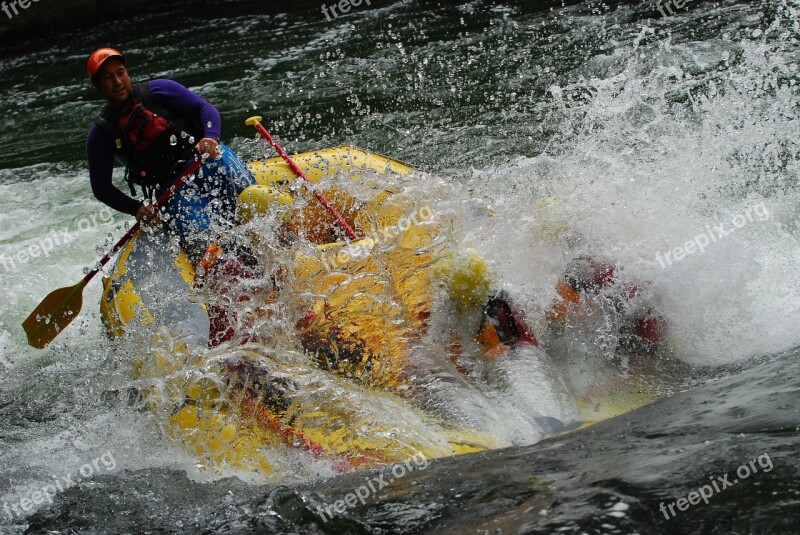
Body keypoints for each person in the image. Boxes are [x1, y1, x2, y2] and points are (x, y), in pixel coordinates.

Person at [85, 47, 255, 265]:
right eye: (108, 78)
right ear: (98, 85)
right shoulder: (101, 133)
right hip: (172, 190)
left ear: (127, 73)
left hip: (204, 161)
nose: (118, 82)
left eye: (120, 73)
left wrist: (211, 136)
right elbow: (100, 186)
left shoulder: (159, 90)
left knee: (249, 198)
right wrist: (135, 208)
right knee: (206, 248)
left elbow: (204, 109)